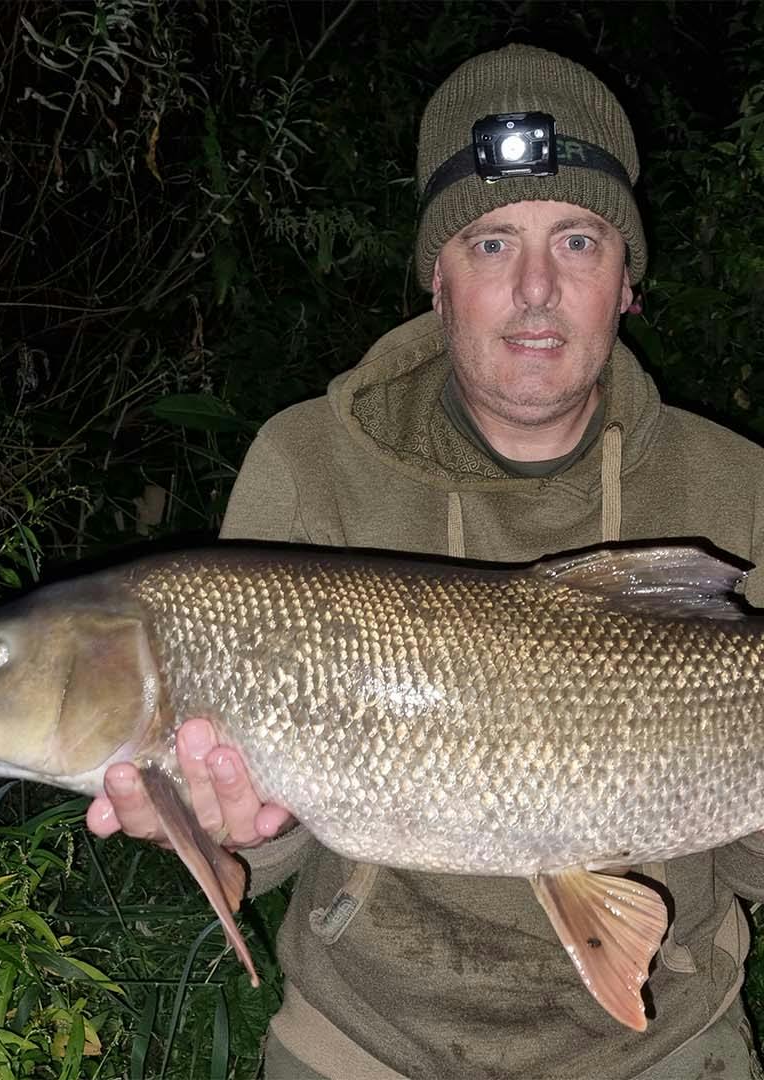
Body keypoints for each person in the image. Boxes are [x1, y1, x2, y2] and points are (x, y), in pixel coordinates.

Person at [88, 43, 764, 1079]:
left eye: (577, 240)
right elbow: (258, 854)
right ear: (436, 282)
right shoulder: (309, 466)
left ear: (628, 279)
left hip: (665, 1037)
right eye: (491, 245)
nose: (536, 290)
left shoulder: (737, 490)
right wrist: (218, 836)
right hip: (369, 1033)